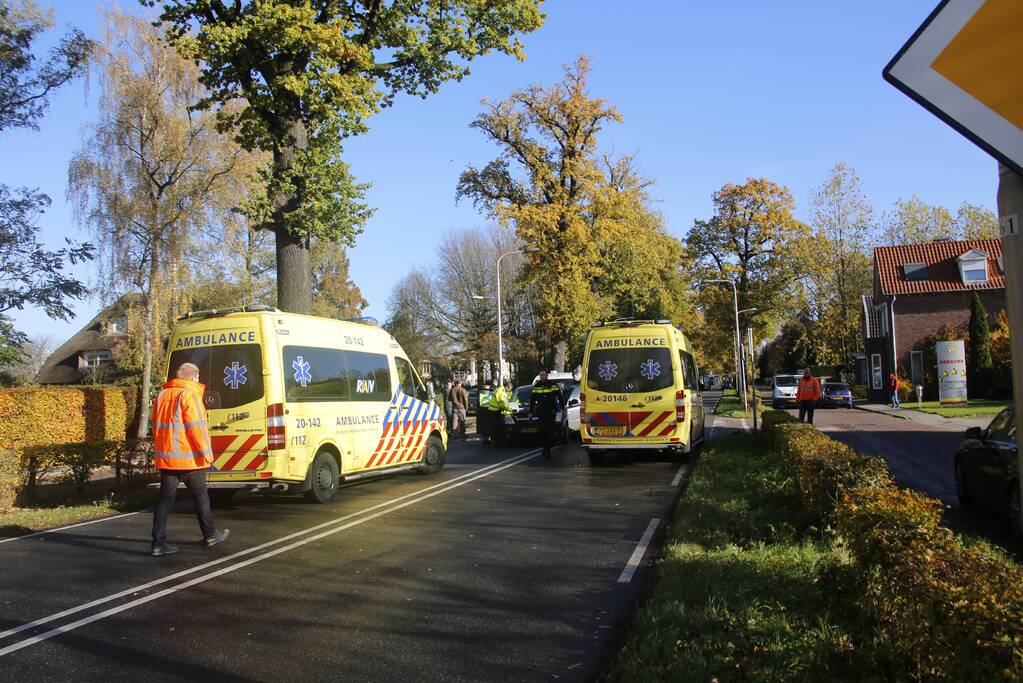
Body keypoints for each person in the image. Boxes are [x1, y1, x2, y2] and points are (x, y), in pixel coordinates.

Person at [151, 362, 230, 557]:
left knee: (164, 501)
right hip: (190, 459)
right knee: (201, 497)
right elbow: (197, 428)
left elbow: (155, 425)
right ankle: (210, 535)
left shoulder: (162, 395)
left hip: (168, 459)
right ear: (194, 377)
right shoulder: (189, 395)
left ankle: (158, 544)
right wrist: (207, 454)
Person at [530, 369, 562, 459]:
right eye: (541, 376)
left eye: (543, 375)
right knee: (541, 432)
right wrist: (531, 412)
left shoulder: (552, 385)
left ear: (547, 376)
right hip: (541, 412)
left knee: (549, 432)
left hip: (550, 412)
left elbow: (559, 396)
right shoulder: (537, 386)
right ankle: (545, 447)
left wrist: (561, 408)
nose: (542, 377)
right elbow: (532, 400)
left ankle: (547, 449)